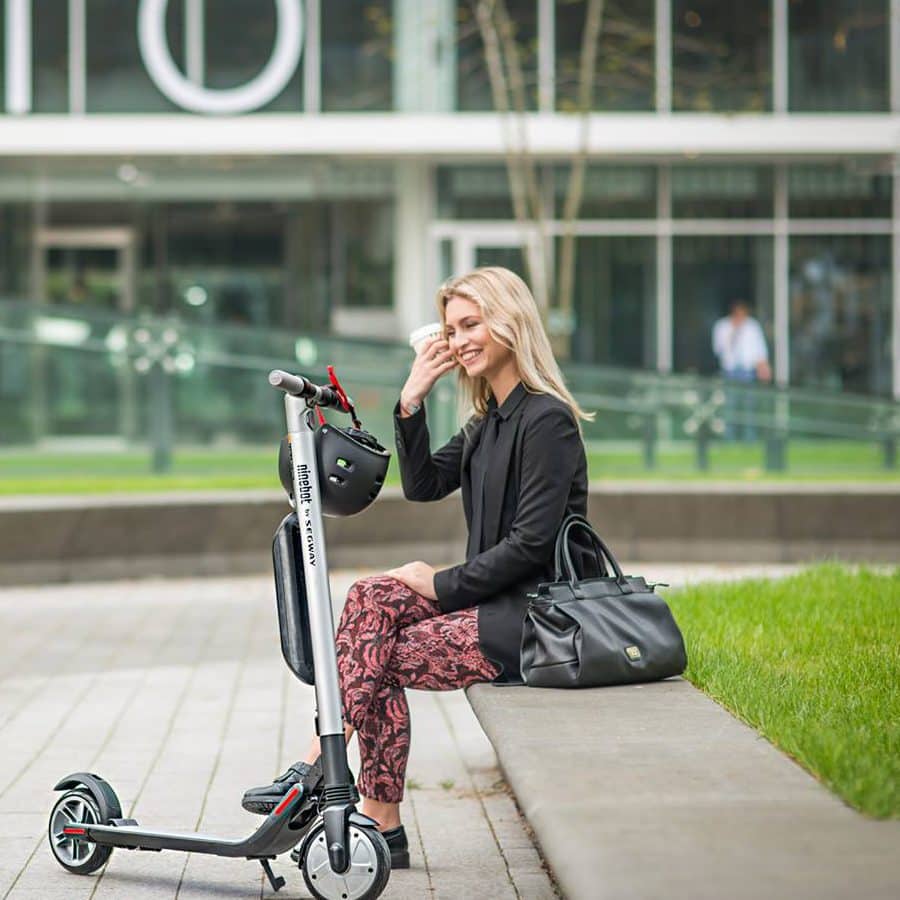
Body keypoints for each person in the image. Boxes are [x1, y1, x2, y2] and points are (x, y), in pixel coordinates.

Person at [242, 266, 595, 867]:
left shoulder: (546, 421)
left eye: (471, 324)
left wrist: (441, 583)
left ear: (510, 322)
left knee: (372, 658)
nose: (458, 341)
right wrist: (411, 400)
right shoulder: (490, 421)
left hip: (535, 619)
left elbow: (532, 545)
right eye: (451, 329)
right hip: (493, 601)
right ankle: (331, 779)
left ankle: (356, 801)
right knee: (370, 599)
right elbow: (426, 484)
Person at [711, 299, 771, 441]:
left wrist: (763, 367)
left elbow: (759, 349)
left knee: (749, 405)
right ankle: (729, 438)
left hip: (747, 370)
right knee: (731, 405)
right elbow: (718, 349)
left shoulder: (752, 326)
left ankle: (749, 438)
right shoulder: (722, 326)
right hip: (730, 370)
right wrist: (734, 332)